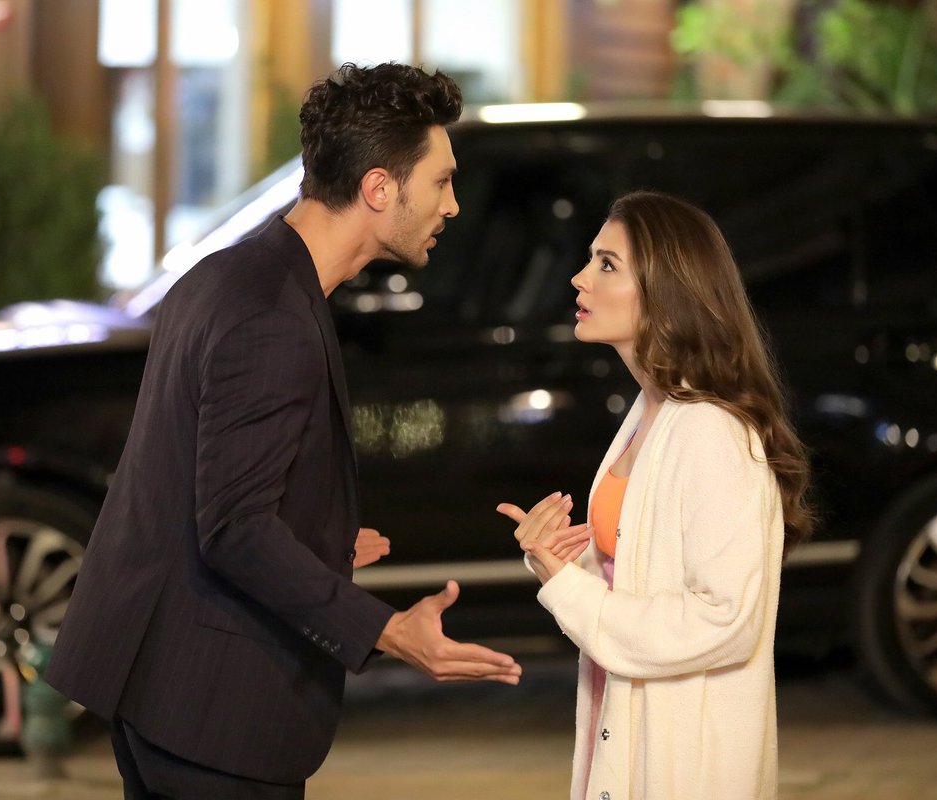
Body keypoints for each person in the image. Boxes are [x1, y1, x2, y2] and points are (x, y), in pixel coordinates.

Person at [45, 62, 522, 800]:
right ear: (379, 188)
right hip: (212, 715)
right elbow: (235, 530)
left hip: (160, 692)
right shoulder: (272, 316)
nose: (452, 205)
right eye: (441, 182)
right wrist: (386, 630)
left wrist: (316, 538)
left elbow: (195, 479)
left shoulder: (228, 275)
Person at [498, 190, 813, 800]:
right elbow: (637, 578)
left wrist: (570, 589)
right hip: (626, 730)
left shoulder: (712, 429)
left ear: (667, 292)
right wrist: (560, 560)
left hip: (685, 760)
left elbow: (724, 619)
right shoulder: (651, 411)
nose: (580, 278)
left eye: (607, 264)